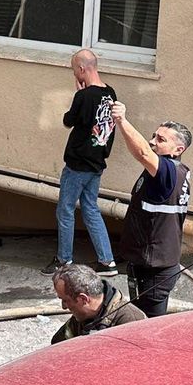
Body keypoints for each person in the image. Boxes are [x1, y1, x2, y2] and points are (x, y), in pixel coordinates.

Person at [108, 102, 193, 317]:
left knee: (148, 328)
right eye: (154, 136)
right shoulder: (168, 171)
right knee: (144, 323)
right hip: (150, 265)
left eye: (161, 140)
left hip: (154, 270)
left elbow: (144, 153)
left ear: (178, 150)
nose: (152, 141)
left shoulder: (167, 171)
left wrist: (122, 121)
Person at [46, 49, 118, 277]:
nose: (74, 74)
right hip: (97, 162)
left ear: (82, 69)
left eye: (74, 69)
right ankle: (107, 262)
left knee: (65, 210)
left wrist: (79, 95)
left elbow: (69, 121)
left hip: (78, 164)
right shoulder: (110, 93)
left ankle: (63, 260)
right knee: (90, 209)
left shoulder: (83, 97)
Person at [50, 263, 145, 343]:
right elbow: (57, 345)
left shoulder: (132, 322)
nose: (63, 307)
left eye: (65, 300)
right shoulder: (82, 316)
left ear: (83, 299)